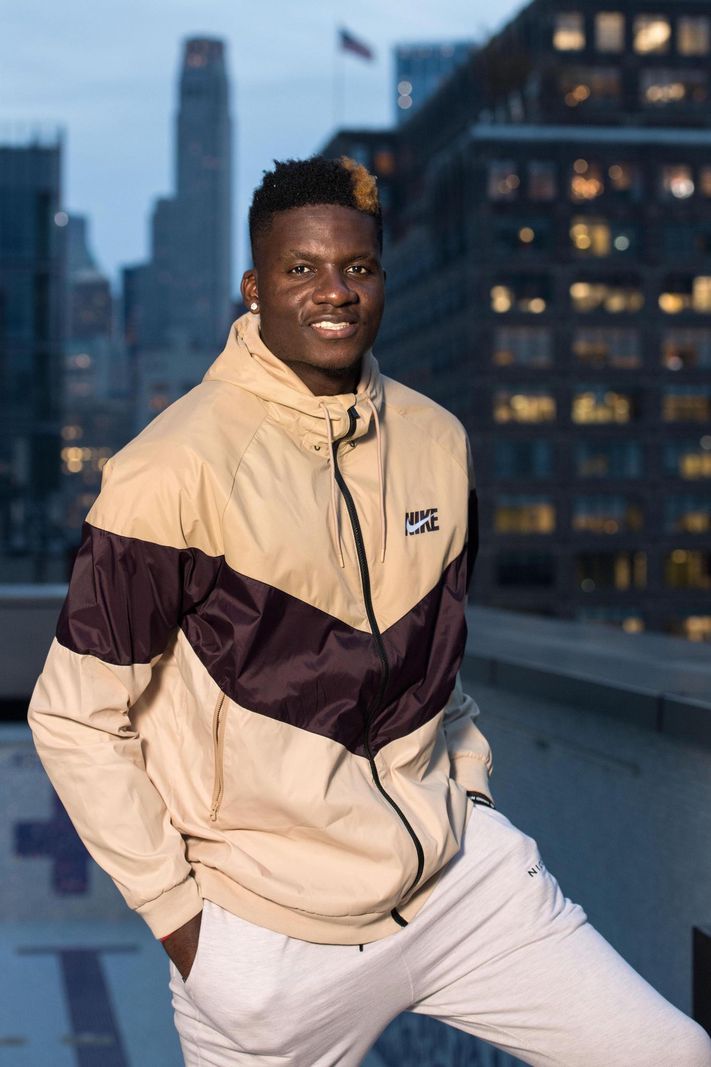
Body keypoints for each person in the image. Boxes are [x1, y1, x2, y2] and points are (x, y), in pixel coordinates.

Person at [28, 156, 711, 1067]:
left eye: (356, 267)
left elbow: (437, 652)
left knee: (670, 1054)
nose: (333, 290)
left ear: (381, 278)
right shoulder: (172, 467)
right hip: (268, 935)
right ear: (254, 286)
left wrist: (467, 788)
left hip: (459, 883)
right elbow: (74, 718)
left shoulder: (434, 438)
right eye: (300, 268)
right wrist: (189, 929)